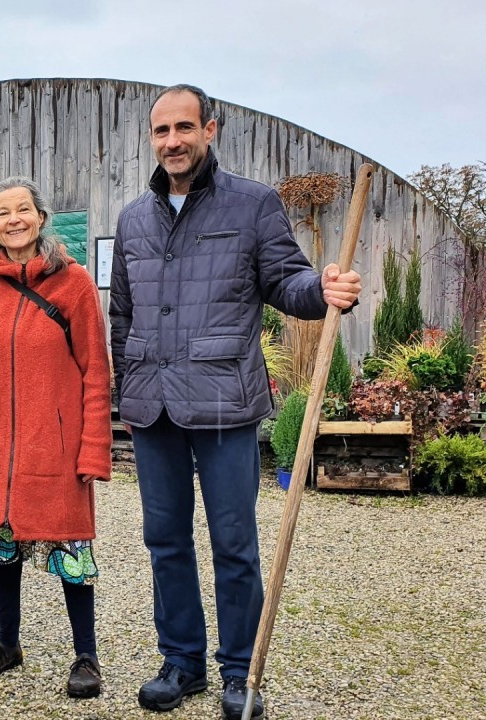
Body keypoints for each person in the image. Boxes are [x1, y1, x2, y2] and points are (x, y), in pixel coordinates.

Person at [110, 85, 363, 720]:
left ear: (210, 129)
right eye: (161, 130)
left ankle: (237, 672)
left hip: (225, 400)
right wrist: (126, 381)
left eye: (184, 128)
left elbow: (287, 281)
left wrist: (324, 287)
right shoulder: (133, 218)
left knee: (233, 541)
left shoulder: (252, 205)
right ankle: (181, 662)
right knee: (164, 539)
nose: (172, 141)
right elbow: (122, 312)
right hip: (154, 406)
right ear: (151, 138)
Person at [0, 177, 112, 698]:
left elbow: (95, 372)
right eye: (2, 213)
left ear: (41, 217)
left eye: (23, 210)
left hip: (56, 447)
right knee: (3, 541)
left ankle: (86, 655)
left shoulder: (75, 284)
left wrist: (93, 449)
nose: (13, 220)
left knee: (71, 550)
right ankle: (8, 644)